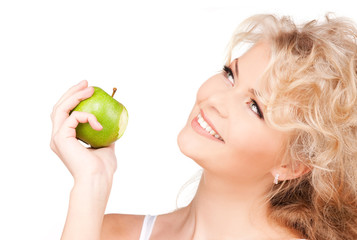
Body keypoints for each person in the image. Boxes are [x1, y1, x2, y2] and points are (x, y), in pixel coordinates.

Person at [50, 13, 357, 240]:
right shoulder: (107, 231)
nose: (215, 100)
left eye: (254, 106)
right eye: (230, 75)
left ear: (292, 164)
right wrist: (91, 184)